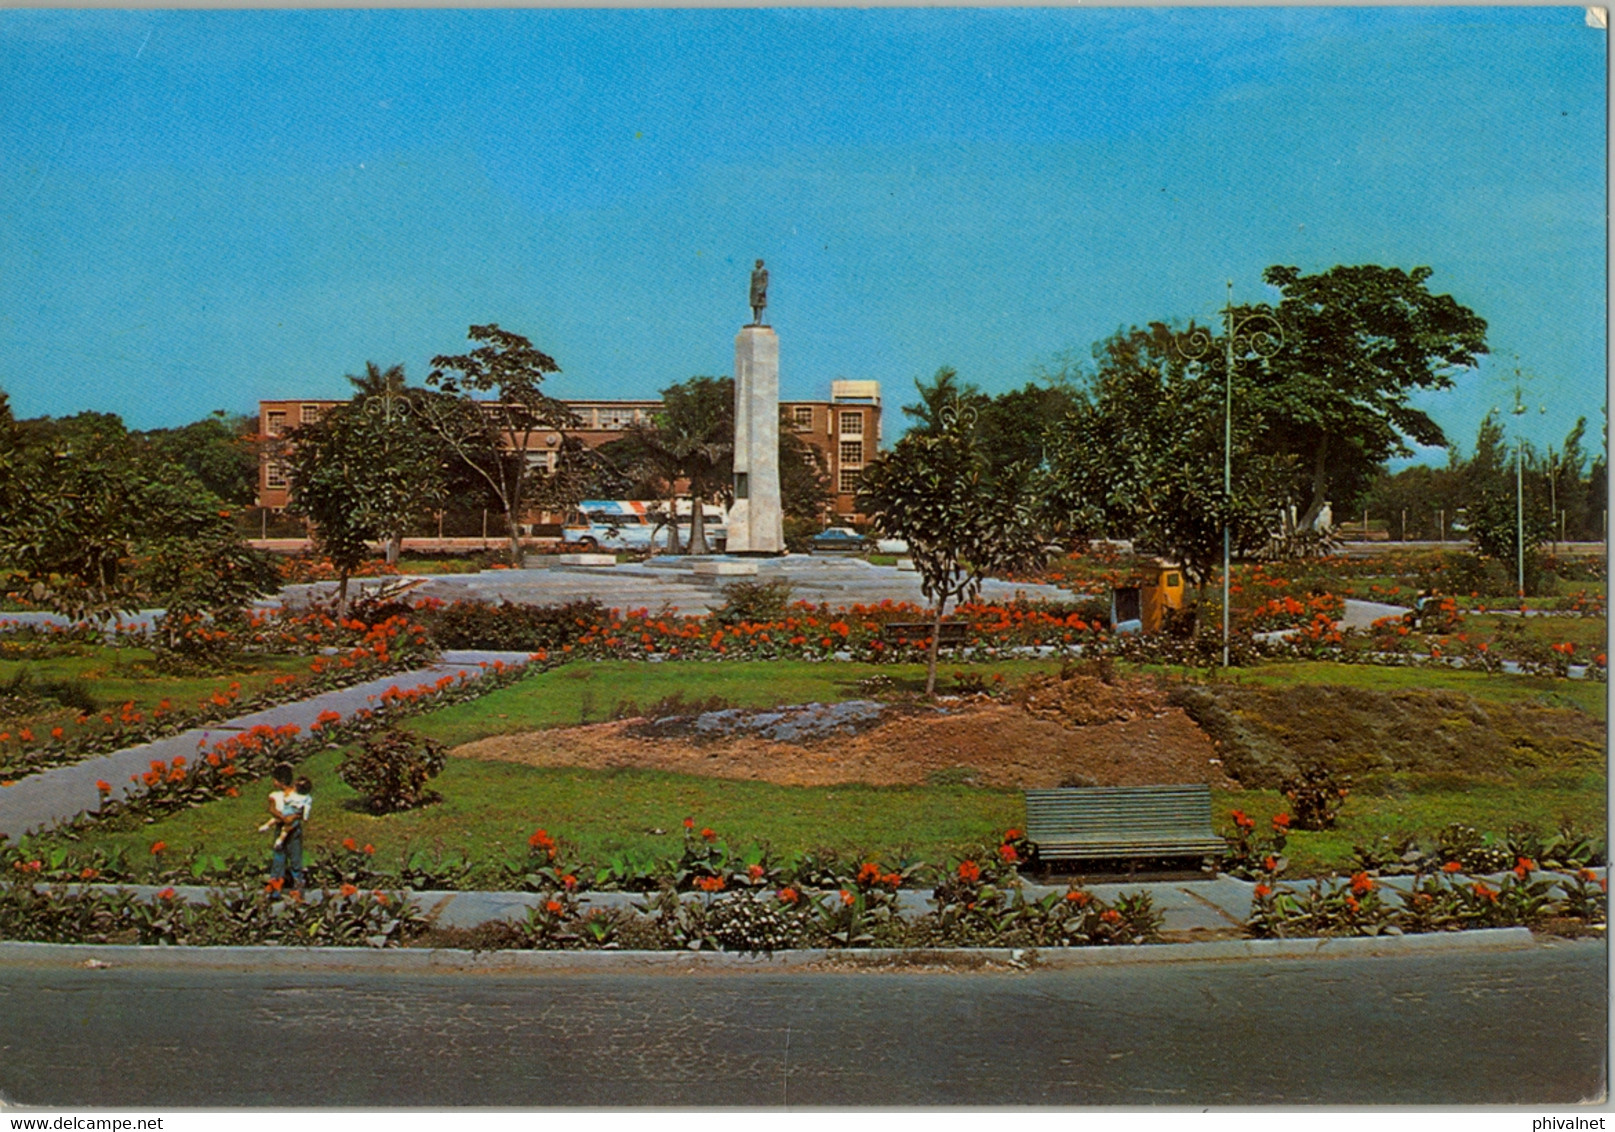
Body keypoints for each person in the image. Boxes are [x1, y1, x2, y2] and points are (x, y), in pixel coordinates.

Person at [261, 763, 311, 890]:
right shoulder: (274, 796)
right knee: (279, 855)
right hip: (281, 825)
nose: (273, 782)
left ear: (281, 781)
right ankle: (276, 885)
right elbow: (272, 810)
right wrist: (284, 818)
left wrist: (293, 818)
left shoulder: (298, 794)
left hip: (293, 828)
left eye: (275, 779)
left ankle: (297, 884)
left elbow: (301, 810)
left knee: (295, 856)